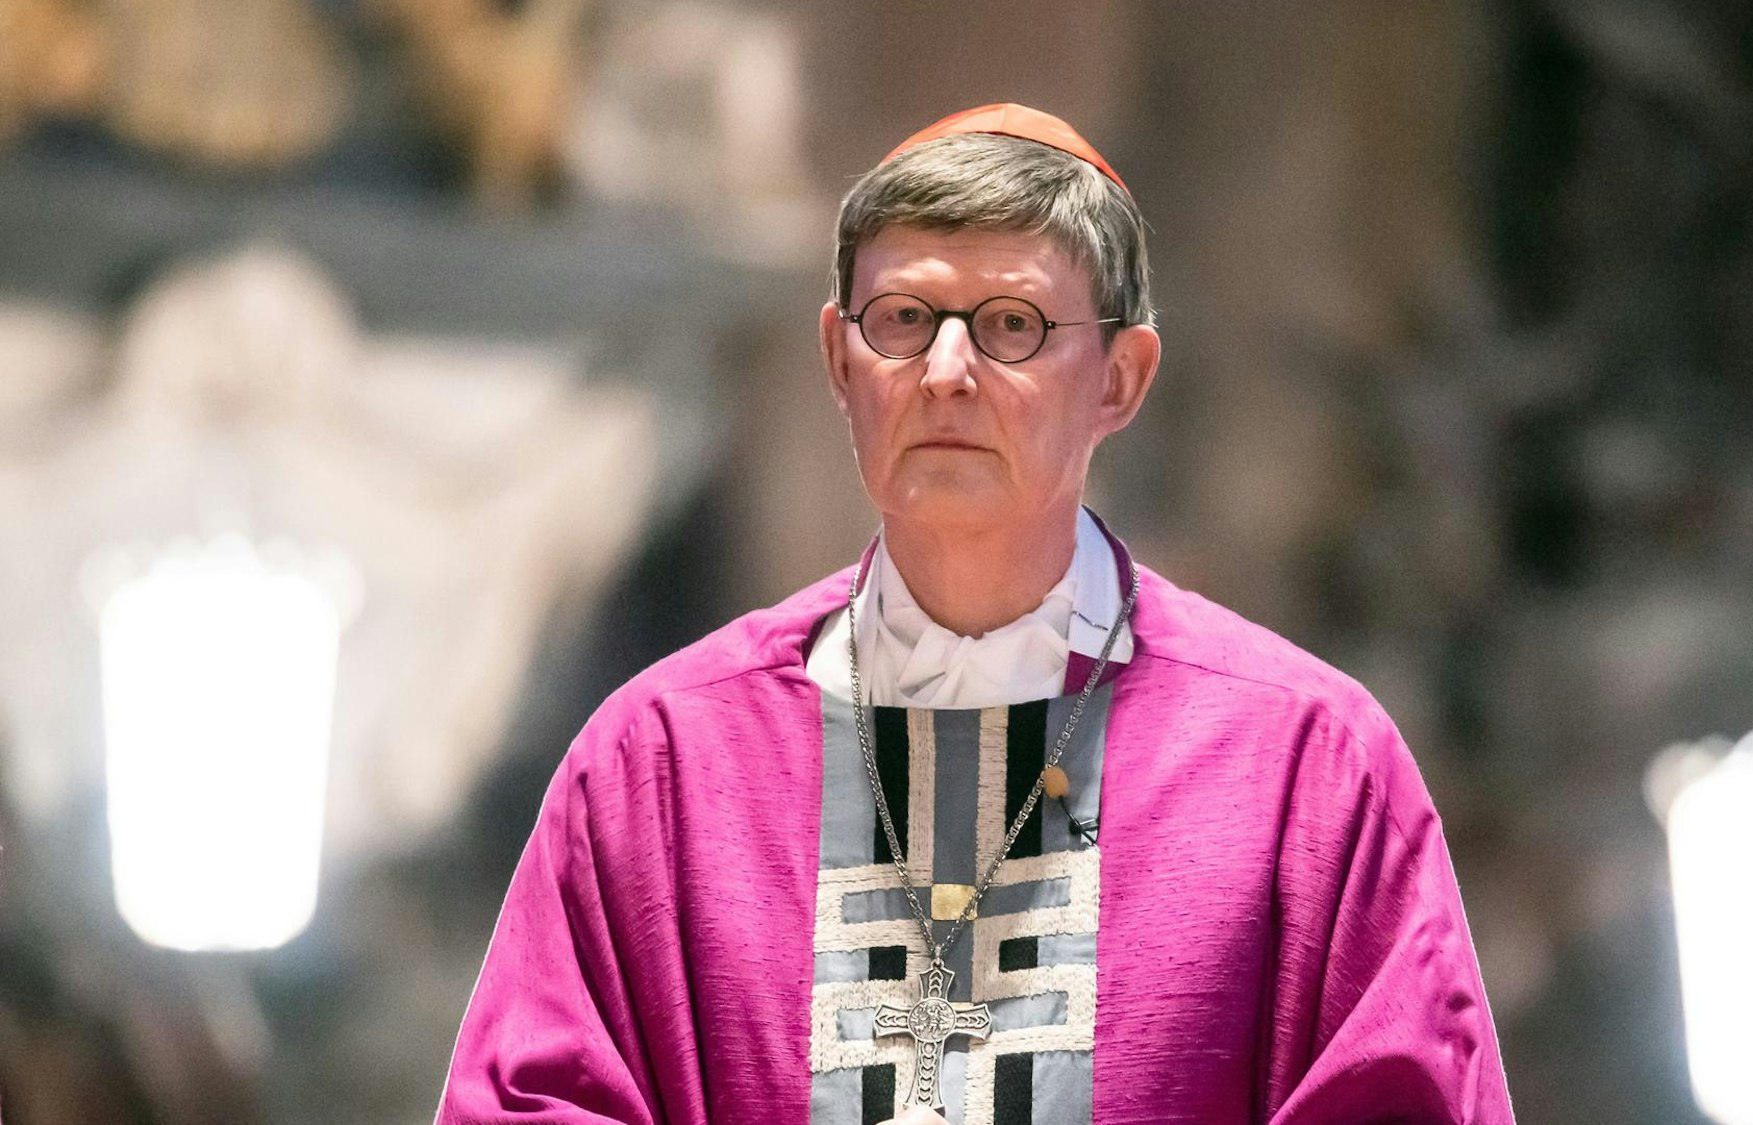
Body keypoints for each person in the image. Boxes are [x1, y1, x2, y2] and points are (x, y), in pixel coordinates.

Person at [437, 103, 1514, 1125]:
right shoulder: (663, 760)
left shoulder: (1305, 767)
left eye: (1010, 326)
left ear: (1119, 381)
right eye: (902, 321)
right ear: (837, 361)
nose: (945, 372)